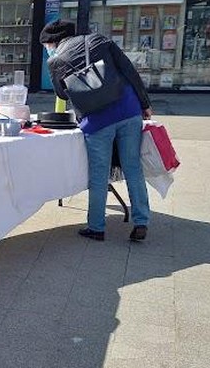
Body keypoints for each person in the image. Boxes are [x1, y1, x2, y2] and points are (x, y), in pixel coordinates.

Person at [41, 20, 152, 241]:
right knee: (132, 166)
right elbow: (128, 70)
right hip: (128, 109)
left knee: (99, 175)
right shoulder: (100, 40)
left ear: (52, 42)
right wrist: (144, 103)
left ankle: (96, 227)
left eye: (46, 44)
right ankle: (141, 221)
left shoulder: (56, 60)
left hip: (97, 120)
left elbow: (62, 95)